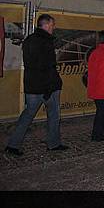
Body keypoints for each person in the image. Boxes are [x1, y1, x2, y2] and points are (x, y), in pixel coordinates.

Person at [5, 14, 68, 156]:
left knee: (27, 115)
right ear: (46, 25)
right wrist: (49, 88)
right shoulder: (45, 42)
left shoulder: (29, 40)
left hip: (32, 87)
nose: (53, 28)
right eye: (52, 25)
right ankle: (53, 143)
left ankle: (13, 144)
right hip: (47, 87)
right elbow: (46, 67)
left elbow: (33, 66)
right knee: (53, 116)